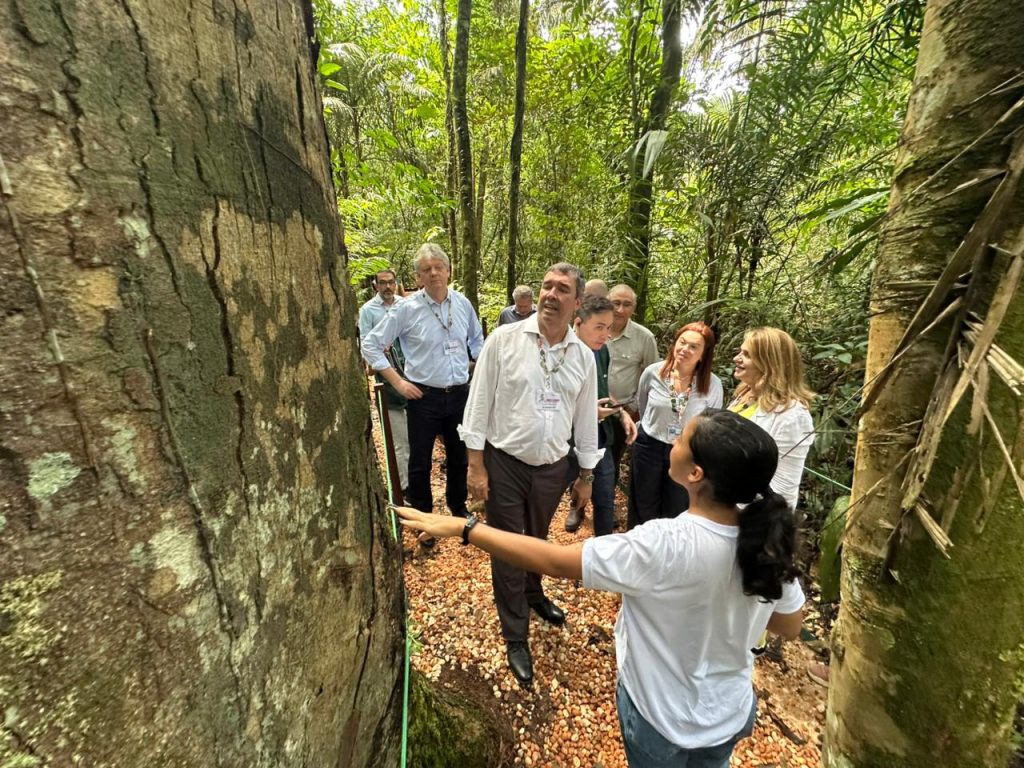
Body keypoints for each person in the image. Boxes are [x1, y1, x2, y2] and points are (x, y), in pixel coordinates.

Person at [397, 409, 804, 766]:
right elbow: (788, 625)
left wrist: (466, 528)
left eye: (681, 439)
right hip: (729, 714)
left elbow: (555, 561)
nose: (673, 442)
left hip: (661, 719)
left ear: (696, 474)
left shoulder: (664, 543)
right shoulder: (767, 536)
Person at [457, 263, 601, 684]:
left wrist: (586, 476)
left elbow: (585, 422)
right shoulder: (503, 340)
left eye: (562, 290)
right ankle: (515, 633)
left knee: (537, 539)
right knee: (507, 547)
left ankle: (534, 593)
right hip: (505, 464)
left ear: (577, 303)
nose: (551, 294)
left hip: (553, 469)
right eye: (546, 286)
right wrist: (476, 465)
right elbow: (478, 406)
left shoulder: (583, 358)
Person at [362, 244, 484, 544]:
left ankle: (457, 511)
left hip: (459, 395)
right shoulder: (406, 308)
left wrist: (481, 374)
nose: (433, 273)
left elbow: (477, 342)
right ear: (418, 277)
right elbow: (371, 345)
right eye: (426, 269)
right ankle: (423, 519)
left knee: (458, 458)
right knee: (420, 462)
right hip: (423, 397)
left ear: (448, 270)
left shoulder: (463, 304)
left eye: (438, 267)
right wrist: (398, 383)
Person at [628, 322, 723, 529]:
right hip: (649, 446)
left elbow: (711, 422)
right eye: (682, 342)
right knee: (642, 503)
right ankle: (639, 553)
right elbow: (643, 408)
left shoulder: (712, 384)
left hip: (687, 452)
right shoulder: (653, 373)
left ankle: (668, 556)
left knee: (676, 507)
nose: (685, 350)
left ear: (704, 354)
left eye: (693, 347)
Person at [565, 295, 638, 535]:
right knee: (556, 495)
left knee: (605, 498)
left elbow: (603, 391)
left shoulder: (602, 351)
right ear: (578, 323)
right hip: (567, 443)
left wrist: (621, 414)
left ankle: (603, 557)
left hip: (600, 437)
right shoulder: (562, 354)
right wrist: (586, 412)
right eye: (599, 327)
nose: (605, 334)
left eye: (608, 328)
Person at [728, 327, 816, 511]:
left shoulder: (792, 414)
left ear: (769, 363)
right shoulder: (746, 393)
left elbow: (782, 483)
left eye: (747, 355)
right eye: (740, 352)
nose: (737, 358)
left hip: (756, 517)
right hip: (727, 504)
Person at [358, 268, 410, 491]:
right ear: (375, 285)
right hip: (388, 379)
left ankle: (416, 484)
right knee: (399, 440)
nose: (387, 287)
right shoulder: (368, 311)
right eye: (383, 283)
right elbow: (365, 345)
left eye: (391, 282)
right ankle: (403, 488)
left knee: (417, 436)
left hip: (414, 374)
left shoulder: (404, 304)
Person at [606, 284, 659, 480]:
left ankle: (605, 506)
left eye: (626, 304)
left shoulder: (644, 337)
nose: (620, 309)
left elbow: (652, 375)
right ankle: (579, 506)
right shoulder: (594, 329)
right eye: (616, 303)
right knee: (581, 457)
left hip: (622, 411)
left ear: (633, 309)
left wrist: (634, 407)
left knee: (611, 461)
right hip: (589, 407)